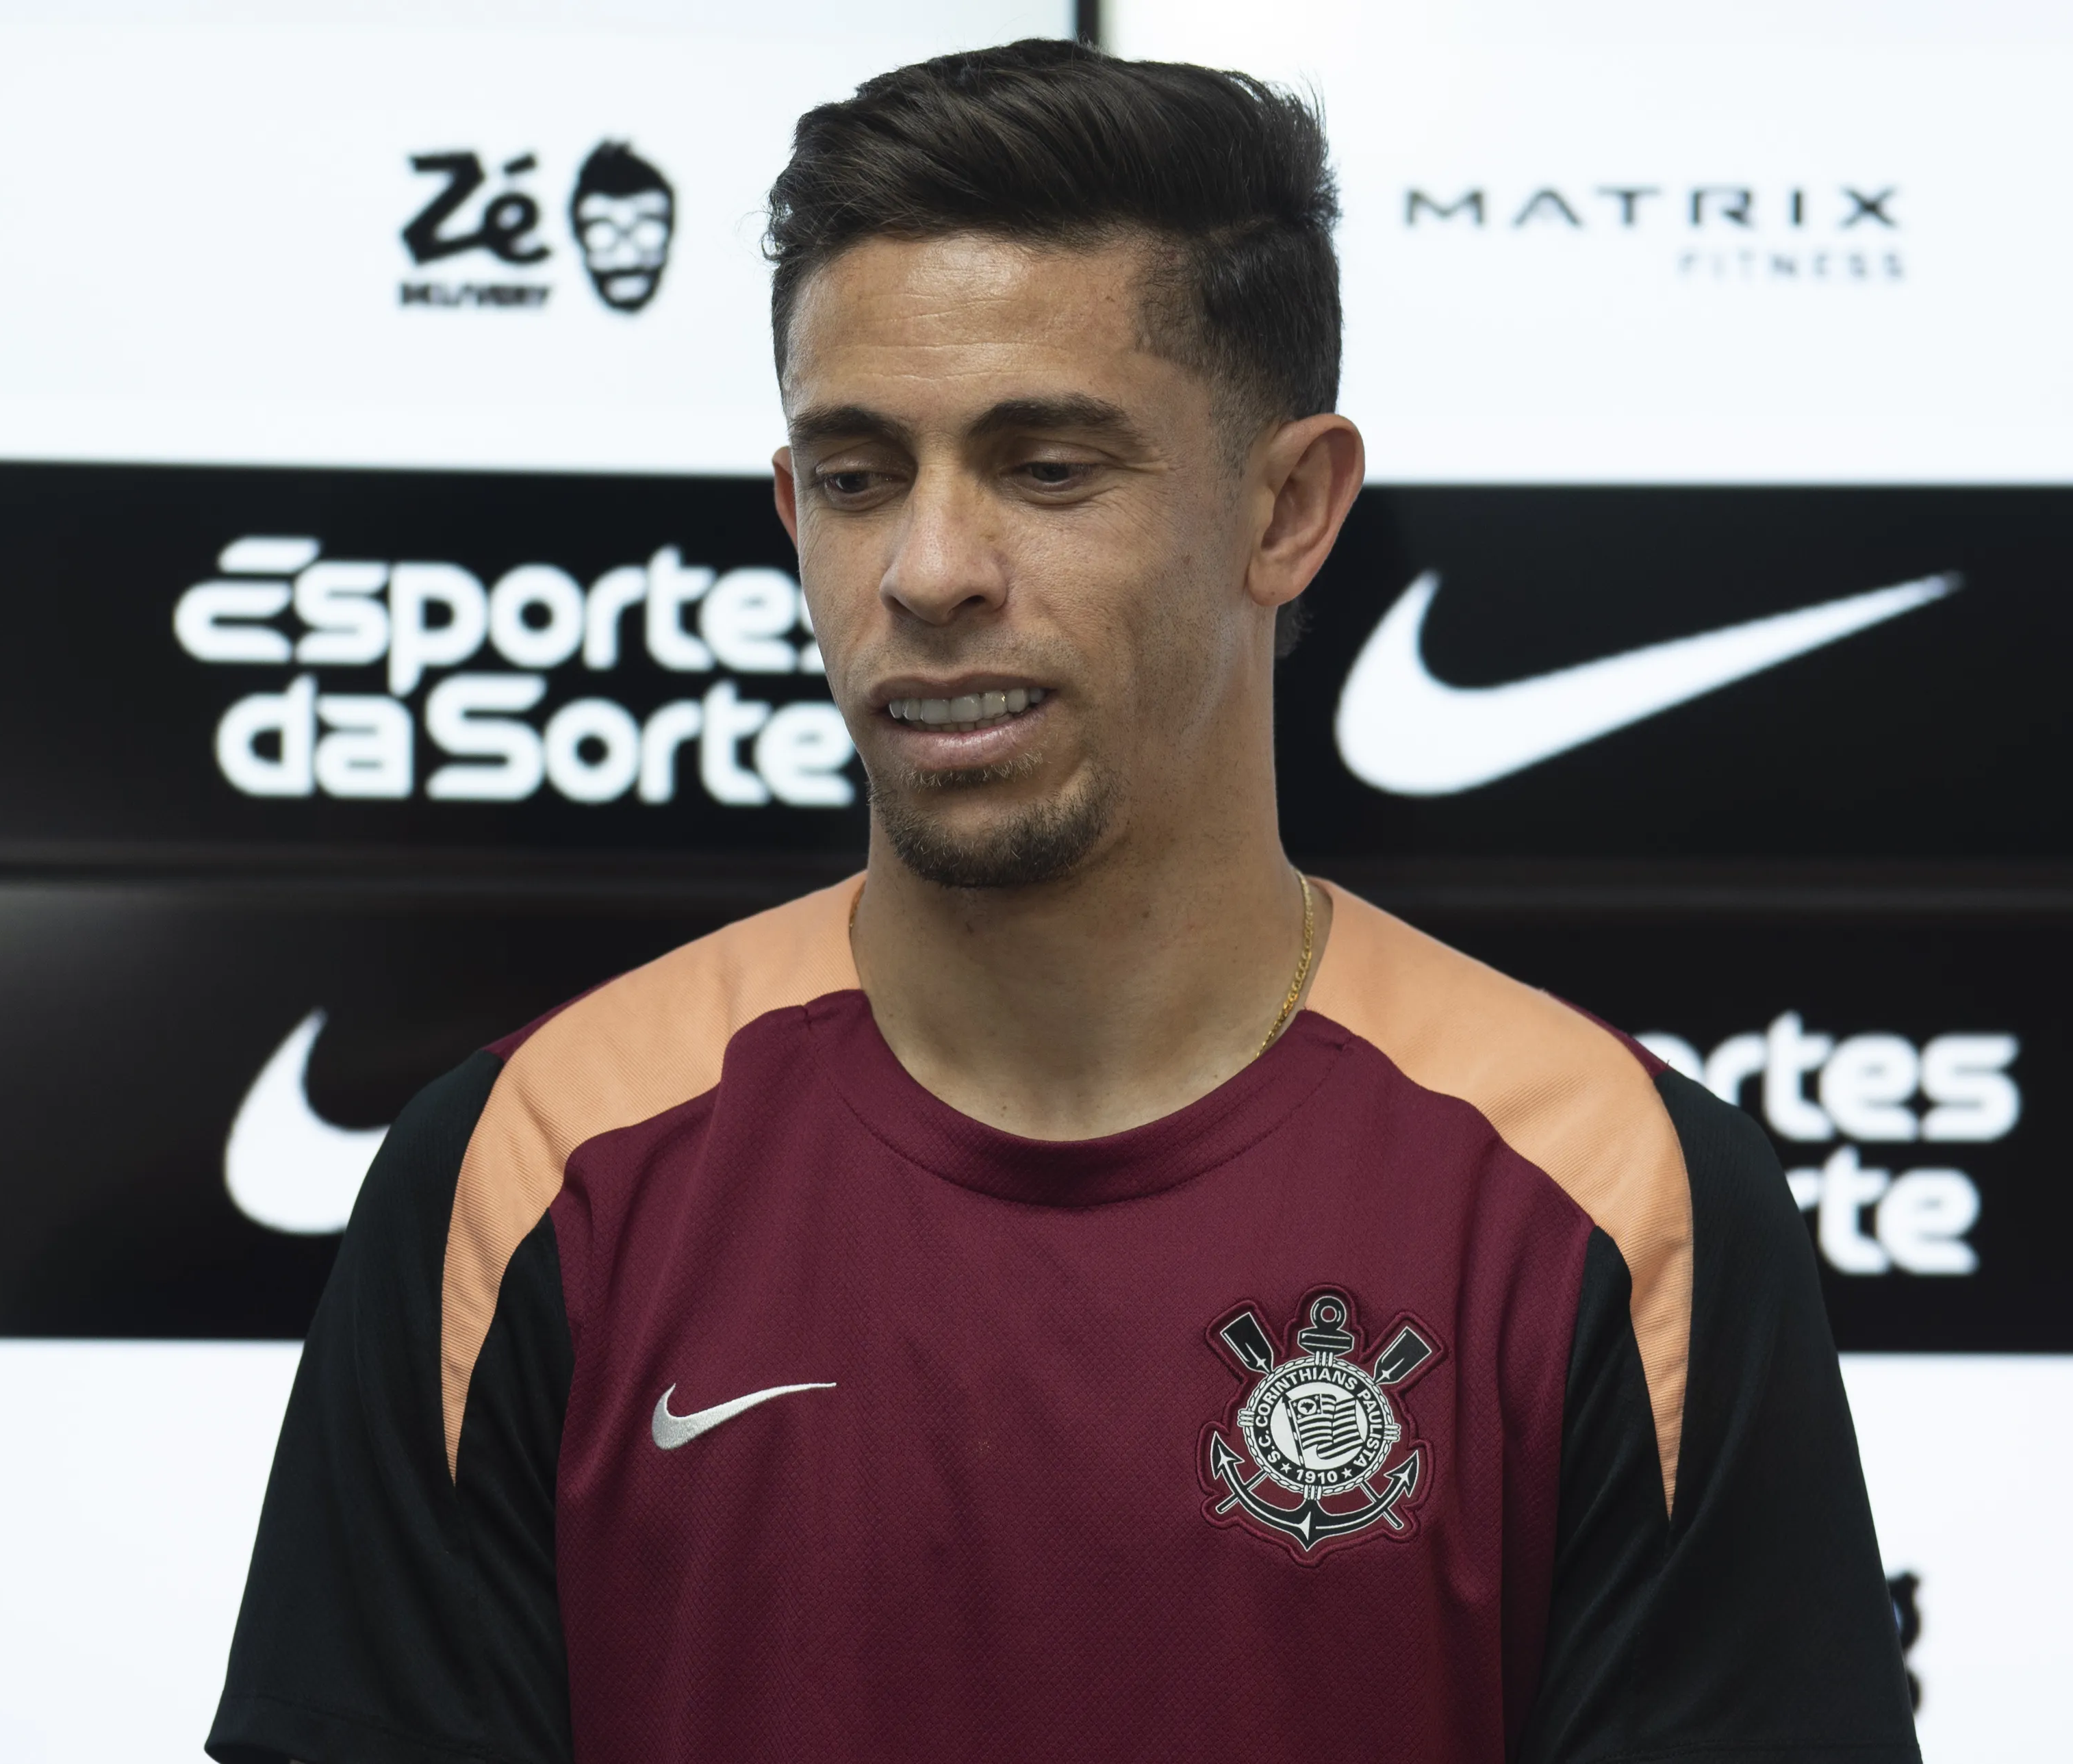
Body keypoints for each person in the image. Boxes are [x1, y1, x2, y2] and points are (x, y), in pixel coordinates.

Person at [209, 40, 1917, 1764]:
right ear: (794, 510)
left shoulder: (1617, 1203)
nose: (928, 571)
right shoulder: (523, 1174)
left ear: (1289, 506)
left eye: (1047, 467)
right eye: (862, 475)